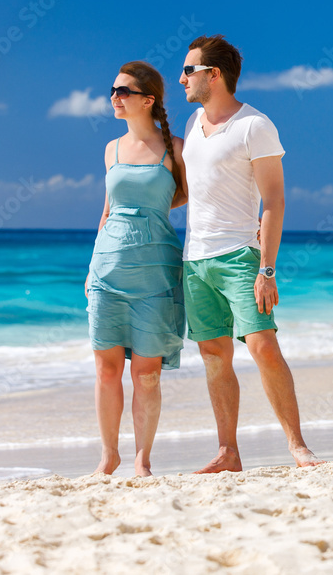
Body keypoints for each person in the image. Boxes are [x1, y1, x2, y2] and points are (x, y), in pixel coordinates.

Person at [178, 34, 322, 471]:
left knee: (262, 346)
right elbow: (194, 191)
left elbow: (274, 201)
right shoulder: (192, 126)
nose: (181, 78)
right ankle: (228, 452)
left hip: (240, 255)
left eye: (189, 70)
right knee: (213, 356)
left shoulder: (255, 126)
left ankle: (298, 446)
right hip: (194, 260)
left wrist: (267, 269)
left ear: (213, 74)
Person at [85, 61, 187, 477]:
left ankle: (143, 461)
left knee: (146, 374)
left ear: (148, 100)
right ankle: (109, 457)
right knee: (107, 370)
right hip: (108, 268)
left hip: (156, 271)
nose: (114, 96)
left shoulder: (175, 149)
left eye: (123, 91)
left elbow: (191, 195)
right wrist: (92, 268)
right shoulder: (111, 149)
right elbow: (107, 211)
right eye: (112, 89)